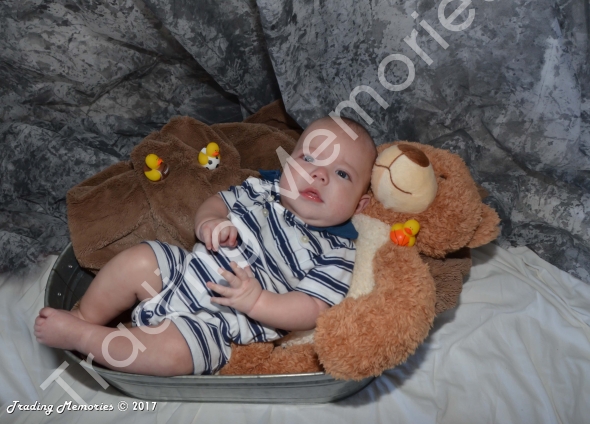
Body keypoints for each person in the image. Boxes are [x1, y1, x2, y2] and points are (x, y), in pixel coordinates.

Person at [34, 116, 378, 376]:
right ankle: (85, 315)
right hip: (183, 272)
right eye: (309, 159)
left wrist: (258, 301)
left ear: (359, 205)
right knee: (141, 259)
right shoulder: (261, 190)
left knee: (174, 353)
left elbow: (313, 307)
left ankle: (84, 338)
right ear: (288, 164)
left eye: (342, 174)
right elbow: (217, 202)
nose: (319, 175)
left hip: (218, 324)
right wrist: (210, 222)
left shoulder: (338, 250)